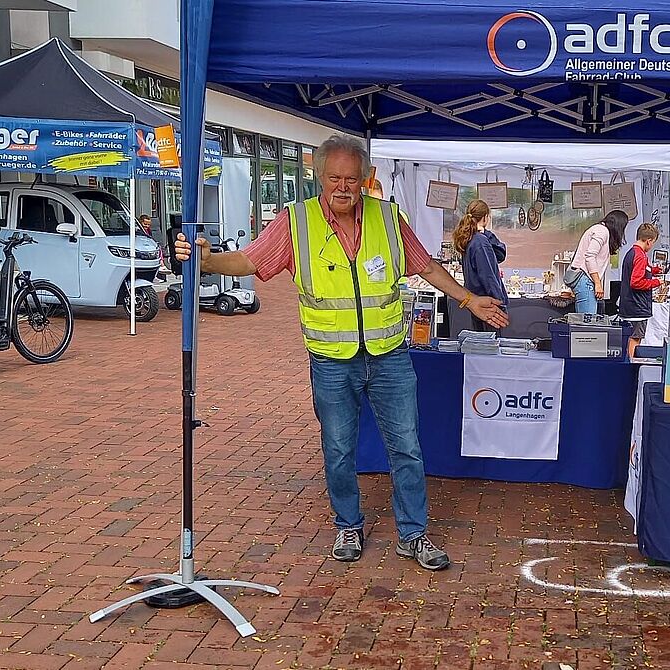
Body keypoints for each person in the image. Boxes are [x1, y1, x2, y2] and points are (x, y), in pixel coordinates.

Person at [173, 136, 509, 570]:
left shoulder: (388, 217)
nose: (343, 187)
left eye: (351, 179)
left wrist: (468, 299)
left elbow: (425, 266)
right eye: (334, 178)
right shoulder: (296, 221)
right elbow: (251, 261)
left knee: (407, 448)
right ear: (319, 177)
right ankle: (348, 524)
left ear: (365, 179)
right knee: (338, 449)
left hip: (389, 356)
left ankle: (413, 534)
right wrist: (208, 261)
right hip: (331, 360)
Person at [453, 199, 507, 332]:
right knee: (489, 341)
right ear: (485, 217)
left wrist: (485, 233)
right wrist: (499, 301)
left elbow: (500, 255)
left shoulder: (468, 238)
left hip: (476, 298)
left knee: (480, 340)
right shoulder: (480, 242)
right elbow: (487, 275)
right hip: (488, 302)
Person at [568, 210, 627, 314]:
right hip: (586, 279)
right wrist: (598, 283)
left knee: (583, 320)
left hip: (583, 279)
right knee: (588, 320)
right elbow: (590, 256)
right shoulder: (602, 232)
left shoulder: (598, 229)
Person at [619, 223, 664, 354]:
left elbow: (640, 270)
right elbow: (636, 282)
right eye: (653, 243)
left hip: (629, 304)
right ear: (649, 241)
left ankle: (629, 359)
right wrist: (655, 282)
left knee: (630, 336)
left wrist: (653, 270)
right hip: (637, 307)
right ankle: (631, 362)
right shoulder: (640, 256)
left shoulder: (632, 252)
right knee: (635, 338)